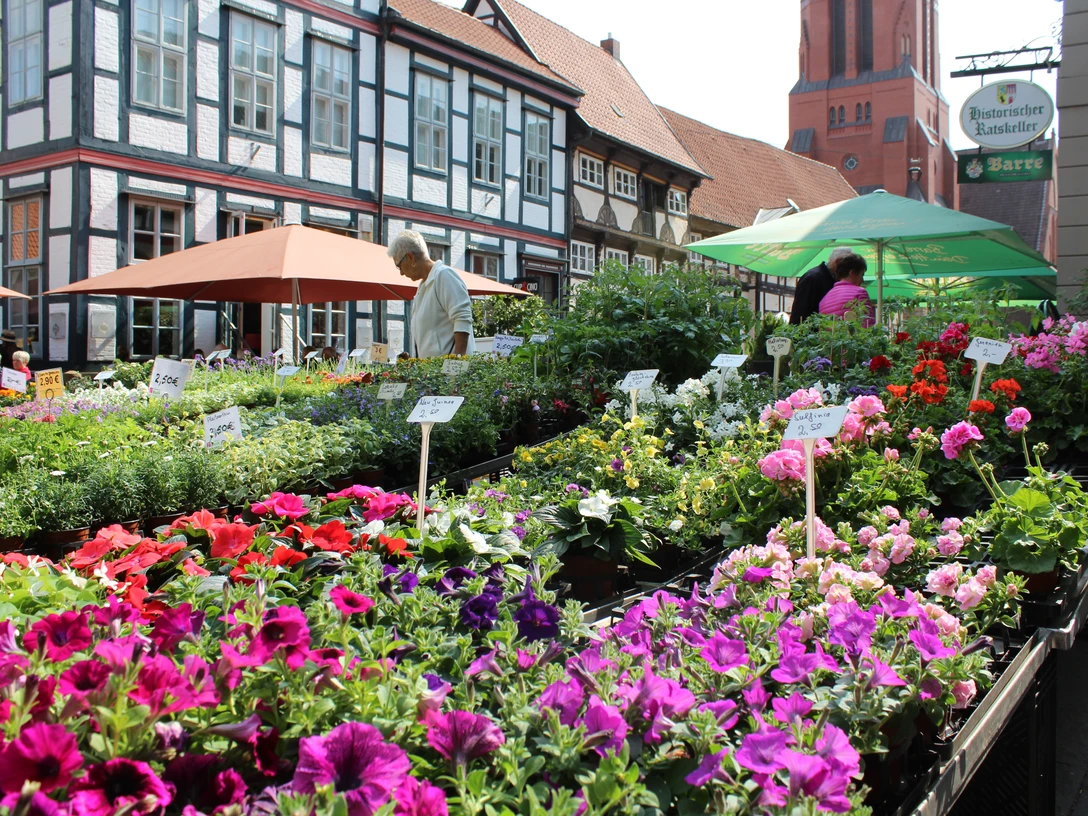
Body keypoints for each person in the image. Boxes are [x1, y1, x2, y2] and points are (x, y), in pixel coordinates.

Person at [388, 230, 475, 358]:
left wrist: (458, 362)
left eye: (399, 266)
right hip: (435, 372)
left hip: (450, 373)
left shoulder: (444, 275)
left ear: (410, 257)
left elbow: (462, 318)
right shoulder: (424, 285)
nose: (401, 273)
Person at [789, 247, 853, 325]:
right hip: (810, 332)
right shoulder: (813, 277)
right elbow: (800, 312)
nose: (849, 272)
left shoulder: (827, 277)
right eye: (848, 267)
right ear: (838, 262)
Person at [818, 253, 875, 327]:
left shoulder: (824, 300)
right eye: (862, 275)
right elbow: (867, 325)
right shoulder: (860, 293)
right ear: (852, 273)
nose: (862, 280)